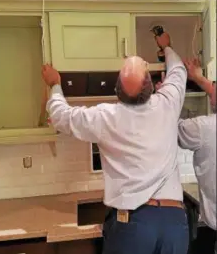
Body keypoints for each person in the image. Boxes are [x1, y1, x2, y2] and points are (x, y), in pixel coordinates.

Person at [42, 33, 189, 254]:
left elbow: (62, 116)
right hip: (174, 225)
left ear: (116, 90)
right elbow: (178, 70)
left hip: (134, 227)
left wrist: (55, 84)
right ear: (152, 88)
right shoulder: (168, 103)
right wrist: (166, 46)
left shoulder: (104, 117)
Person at [177, 58, 216, 254]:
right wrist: (199, 79)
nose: (210, 93)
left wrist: (165, 96)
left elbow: (170, 126)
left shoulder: (205, 128)